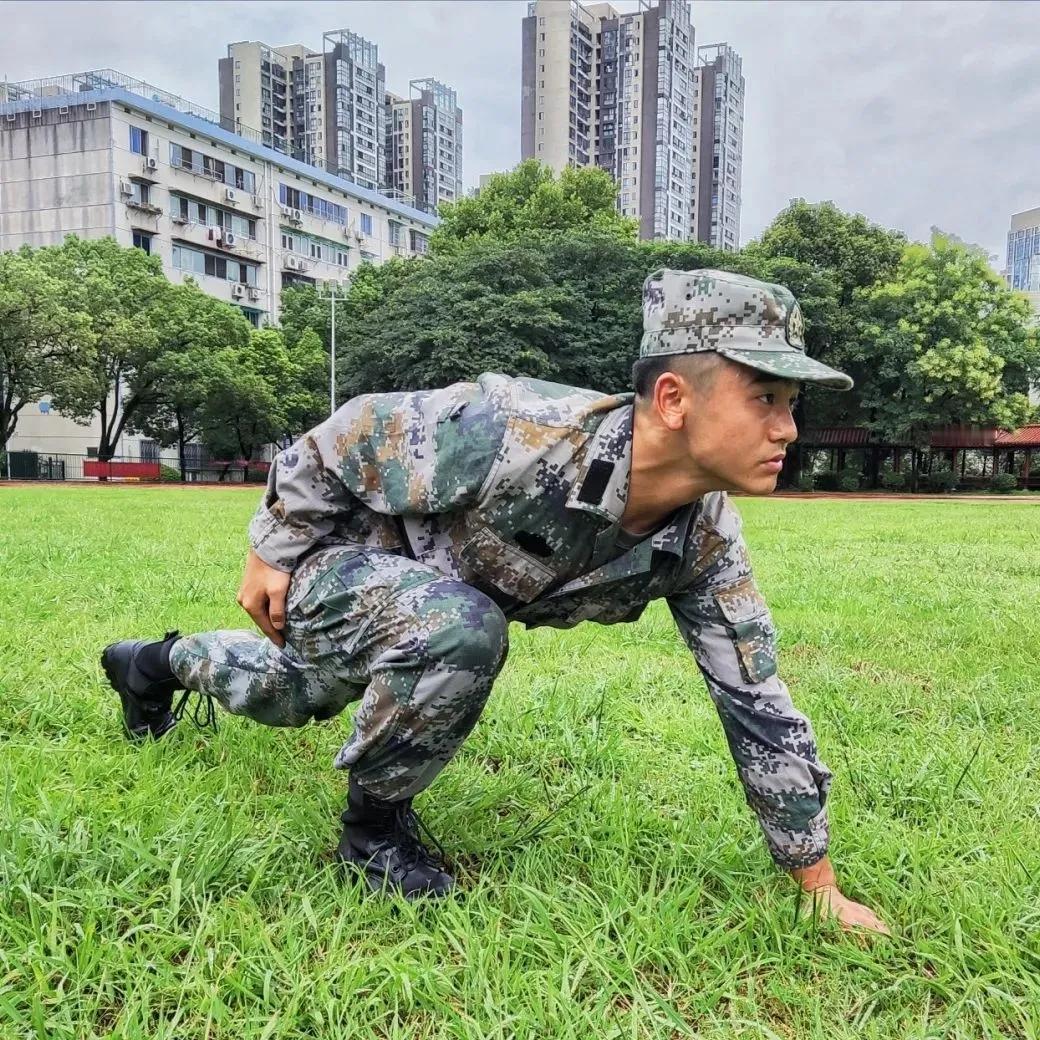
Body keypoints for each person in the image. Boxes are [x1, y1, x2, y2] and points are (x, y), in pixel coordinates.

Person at [102, 268, 889, 932]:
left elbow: (757, 703)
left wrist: (816, 885)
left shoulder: (704, 543)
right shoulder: (522, 432)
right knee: (459, 629)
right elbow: (348, 434)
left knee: (292, 691)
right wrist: (270, 549)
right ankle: (373, 835)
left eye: (792, 404)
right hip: (344, 557)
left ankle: (150, 665)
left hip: (420, 613)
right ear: (675, 398)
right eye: (765, 399)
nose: (787, 429)